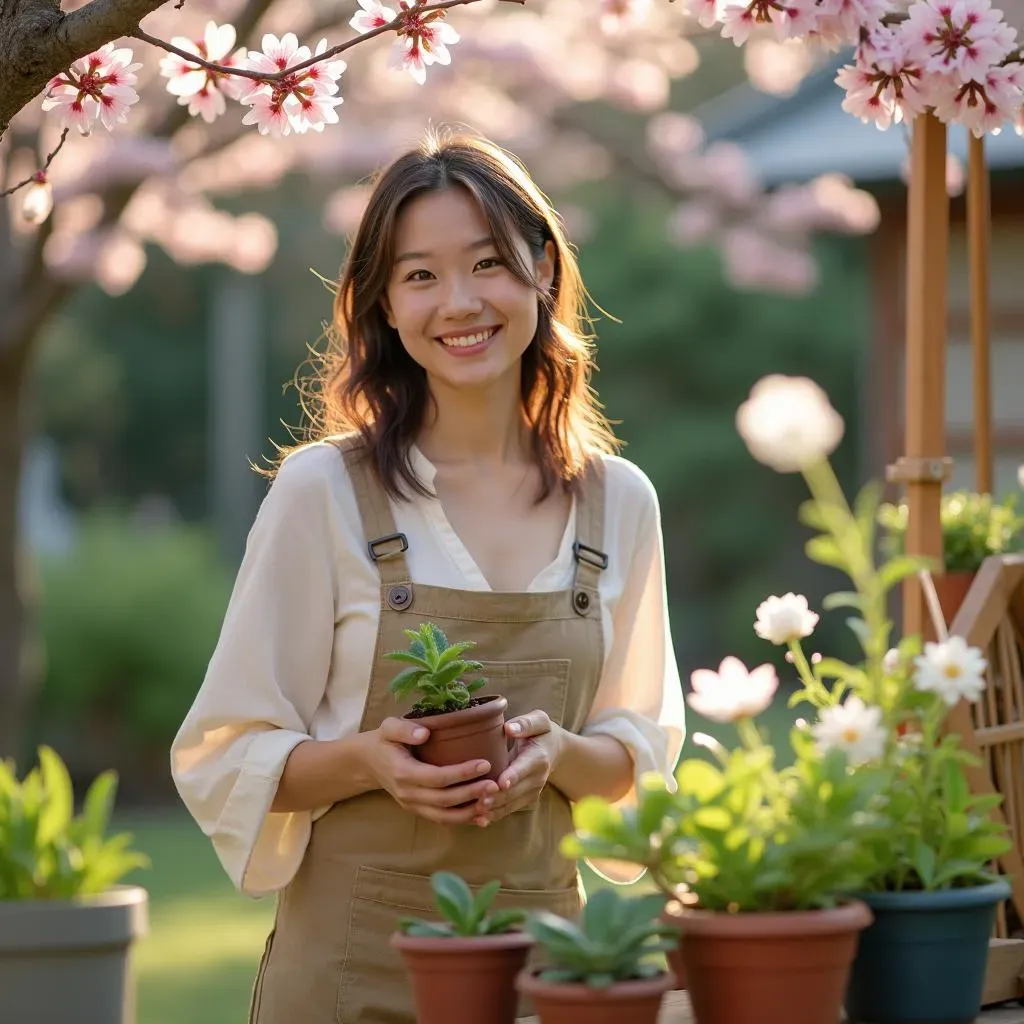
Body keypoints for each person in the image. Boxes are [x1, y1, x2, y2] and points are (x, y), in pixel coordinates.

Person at [171, 128, 685, 1024]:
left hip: (547, 982)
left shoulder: (620, 504)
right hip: (344, 980)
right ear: (384, 306)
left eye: (488, 263)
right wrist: (371, 764)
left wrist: (559, 755)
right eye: (420, 275)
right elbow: (229, 752)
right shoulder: (323, 492)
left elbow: (637, 758)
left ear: (542, 274)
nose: (459, 302)